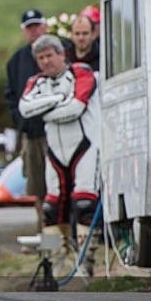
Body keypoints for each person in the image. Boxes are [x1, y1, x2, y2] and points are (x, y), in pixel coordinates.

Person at [18, 34, 101, 275]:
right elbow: (25, 109)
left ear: (61, 54)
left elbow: (76, 107)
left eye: (49, 56)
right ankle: (54, 263)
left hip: (84, 147)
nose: (45, 61)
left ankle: (87, 263)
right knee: (51, 209)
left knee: (84, 203)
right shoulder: (36, 82)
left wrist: (44, 108)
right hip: (55, 151)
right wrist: (57, 99)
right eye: (41, 58)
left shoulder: (81, 73)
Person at [4, 9, 49, 230]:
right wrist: (20, 121)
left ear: (45, 27)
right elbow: (11, 96)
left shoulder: (61, 53)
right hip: (30, 135)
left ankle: (64, 234)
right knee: (36, 186)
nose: (34, 31)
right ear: (24, 31)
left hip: (55, 132)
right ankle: (45, 233)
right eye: (29, 28)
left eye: (37, 26)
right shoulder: (16, 61)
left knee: (59, 185)